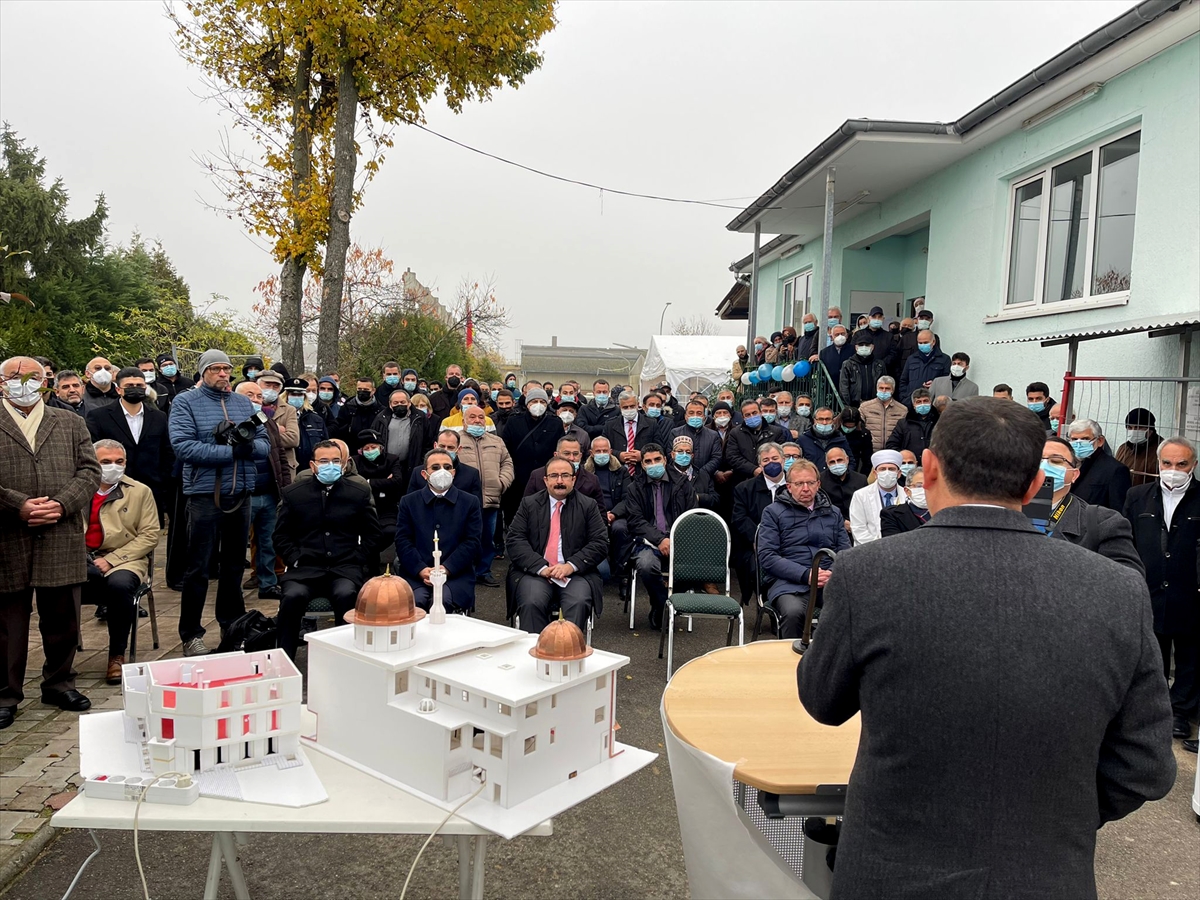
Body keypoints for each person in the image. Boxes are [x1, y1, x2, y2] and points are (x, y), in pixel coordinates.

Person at [798, 397, 1176, 899]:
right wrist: (1056, 815)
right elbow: (1146, 765)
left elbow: (824, 702)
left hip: (890, 872)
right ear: (1037, 485)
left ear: (927, 470)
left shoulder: (866, 574)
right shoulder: (1116, 589)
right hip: (1046, 873)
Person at [0, 356, 101, 729]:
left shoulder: (71, 422)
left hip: (60, 532)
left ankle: (59, 683)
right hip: (8, 534)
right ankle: (5, 693)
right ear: (1, 382)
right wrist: (18, 505)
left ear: (45, 383)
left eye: (33, 377)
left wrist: (60, 504)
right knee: (8, 621)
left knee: (63, 616)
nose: (24, 382)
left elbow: (90, 471)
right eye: (15, 377)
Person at [168, 349, 269, 656]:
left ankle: (232, 623)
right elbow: (183, 447)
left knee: (234, 565)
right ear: (202, 372)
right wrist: (227, 451)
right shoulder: (185, 402)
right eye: (216, 369)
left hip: (241, 493)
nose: (223, 374)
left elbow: (264, 444)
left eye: (226, 368)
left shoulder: (242, 403)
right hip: (204, 495)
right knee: (199, 567)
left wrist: (246, 445)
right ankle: (191, 633)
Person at [273, 440, 383, 658]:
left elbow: (373, 534)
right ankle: (283, 660)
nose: (330, 465)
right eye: (324, 461)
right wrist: (294, 558)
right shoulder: (294, 493)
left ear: (344, 464)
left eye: (335, 460)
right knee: (292, 597)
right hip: (305, 568)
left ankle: (348, 657)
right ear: (313, 466)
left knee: (346, 594)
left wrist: (357, 558)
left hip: (344, 567)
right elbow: (281, 535)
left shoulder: (358, 492)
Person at [1124, 436, 1199, 743]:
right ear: (1158, 463)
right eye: (1167, 463)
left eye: (1181, 464)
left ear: (1193, 464)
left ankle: (1180, 712)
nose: (1173, 470)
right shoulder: (1138, 496)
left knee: (1190, 657)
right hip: (1150, 588)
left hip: (1190, 592)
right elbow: (1126, 538)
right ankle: (1150, 711)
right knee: (1151, 654)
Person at [82, 440, 160, 684]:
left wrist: (112, 559)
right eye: (105, 462)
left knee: (119, 585)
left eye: (119, 462)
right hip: (81, 557)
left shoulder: (140, 491)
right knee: (60, 584)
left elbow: (150, 535)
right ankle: (58, 660)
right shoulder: (79, 489)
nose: (113, 467)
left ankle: (116, 654)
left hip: (125, 558)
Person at [506, 455, 609, 634]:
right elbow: (515, 540)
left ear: (573, 479)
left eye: (565, 475)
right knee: (531, 601)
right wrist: (541, 567)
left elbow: (599, 542)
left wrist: (571, 566)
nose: (559, 481)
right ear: (545, 480)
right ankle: (534, 655)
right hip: (536, 572)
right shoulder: (529, 504)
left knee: (578, 602)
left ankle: (568, 655)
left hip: (576, 573)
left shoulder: (588, 505)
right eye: (554, 476)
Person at [757, 460, 849, 638]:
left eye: (810, 483)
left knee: (852, 606)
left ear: (818, 484)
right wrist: (806, 574)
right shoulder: (773, 512)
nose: (805, 488)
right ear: (789, 487)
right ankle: (791, 664)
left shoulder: (833, 512)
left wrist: (830, 573)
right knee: (793, 613)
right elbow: (767, 556)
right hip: (788, 582)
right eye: (799, 483)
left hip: (828, 580)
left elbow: (844, 551)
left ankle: (834, 661)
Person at [1033, 437, 1142, 571]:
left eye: (1055, 461)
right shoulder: (1005, 512)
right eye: (1037, 460)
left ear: (1074, 475)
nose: (1044, 467)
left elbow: (1130, 580)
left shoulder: (1103, 523)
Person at [395, 448, 482, 612]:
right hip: (416, 575)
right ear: (424, 474)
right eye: (435, 467)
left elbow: (472, 542)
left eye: (447, 467)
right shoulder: (409, 502)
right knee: (416, 602)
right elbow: (403, 540)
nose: (442, 471)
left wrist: (446, 569)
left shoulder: (470, 502)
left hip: (456, 575)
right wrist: (421, 570)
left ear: (454, 472)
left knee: (442, 602)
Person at [625, 443, 698, 630]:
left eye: (657, 459)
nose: (653, 464)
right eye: (648, 461)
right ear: (642, 465)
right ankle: (662, 605)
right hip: (647, 542)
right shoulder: (635, 487)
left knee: (692, 566)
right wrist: (660, 540)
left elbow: (691, 516)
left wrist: (674, 540)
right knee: (646, 565)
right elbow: (635, 521)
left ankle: (667, 605)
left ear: (665, 460)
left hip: (679, 540)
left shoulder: (683, 484)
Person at [86, 366, 173, 523]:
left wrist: (162, 480)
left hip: (151, 489)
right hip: (113, 488)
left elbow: (167, 452)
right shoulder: (99, 416)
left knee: (147, 537)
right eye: (129, 386)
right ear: (119, 389)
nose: (135, 389)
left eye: (139, 386)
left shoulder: (159, 417)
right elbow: (92, 452)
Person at [234, 380, 291, 601]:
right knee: (238, 544)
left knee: (268, 541)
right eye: (251, 396)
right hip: (242, 495)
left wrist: (284, 488)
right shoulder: (231, 423)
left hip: (269, 493)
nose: (256, 400)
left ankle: (268, 583)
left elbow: (280, 457)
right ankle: (233, 587)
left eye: (259, 397)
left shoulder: (268, 424)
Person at [457, 403, 514, 587]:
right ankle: (464, 571)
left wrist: (501, 483)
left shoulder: (496, 441)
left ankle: (484, 571)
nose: (477, 420)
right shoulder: (456, 440)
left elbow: (507, 463)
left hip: (490, 499)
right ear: (464, 420)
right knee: (463, 538)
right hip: (462, 501)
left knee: (487, 538)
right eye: (472, 417)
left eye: (481, 417)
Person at [730, 442, 789, 606]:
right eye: (766, 460)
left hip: (791, 545)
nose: (771, 463)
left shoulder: (795, 487)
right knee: (760, 569)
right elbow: (740, 519)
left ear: (783, 460)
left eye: (775, 458)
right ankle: (771, 605)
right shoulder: (744, 489)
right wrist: (760, 540)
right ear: (759, 464)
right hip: (755, 547)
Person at [353, 429, 405, 571]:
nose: (370, 450)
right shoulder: (355, 462)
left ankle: (370, 554)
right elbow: (355, 484)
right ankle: (371, 564)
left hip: (387, 507)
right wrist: (384, 482)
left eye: (373, 447)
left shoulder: (392, 459)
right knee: (368, 532)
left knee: (390, 531)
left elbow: (397, 482)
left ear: (380, 447)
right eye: (366, 448)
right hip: (364, 508)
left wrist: (368, 482)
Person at [1065, 418, 1132, 511]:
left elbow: (1118, 510)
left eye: (1085, 439)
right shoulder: (1066, 464)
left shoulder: (1115, 470)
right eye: (1074, 439)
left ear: (1100, 441)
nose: (1078, 444)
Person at [406, 430, 485, 507]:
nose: (445, 450)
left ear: (459, 449)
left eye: (450, 447)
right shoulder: (418, 472)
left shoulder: (471, 475)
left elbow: (476, 507)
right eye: (442, 446)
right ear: (435, 446)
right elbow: (411, 503)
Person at [723, 398, 788, 485]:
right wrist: (753, 469)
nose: (752, 416)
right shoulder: (735, 433)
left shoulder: (776, 432)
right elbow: (732, 456)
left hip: (771, 479)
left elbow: (781, 455)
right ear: (743, 417)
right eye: (748, 415)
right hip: (743, 481)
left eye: (754, 413)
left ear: (760, 413)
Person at [371, 387, 428, 485]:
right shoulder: (381, 418)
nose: (399, 405)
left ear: (409, 403)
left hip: (412, 464)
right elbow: (374, 441)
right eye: (396, 403)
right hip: (388, 466)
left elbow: (428, 441)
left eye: (402, 402)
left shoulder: (420, 418)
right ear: (390, 404)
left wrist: (421, 461)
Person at [849, 449, 906, 545]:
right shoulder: (860, 496)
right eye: (882, 469)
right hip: (869, 550)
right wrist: (880, 547)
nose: (887, 473)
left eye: (891, 469)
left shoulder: (908, 495)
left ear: (899, 474)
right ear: (875, 474)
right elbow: (858, 529)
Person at [602, 391, 661, 475]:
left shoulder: (651, 424)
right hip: (618, 472)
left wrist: (643, 454)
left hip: (644, 472)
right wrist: (619, 455)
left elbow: (659, 447)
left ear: (637, 405)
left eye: (632, 406)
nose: (629, 410)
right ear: (620, 407)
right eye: (625, 407)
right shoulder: (610, 425)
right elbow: (604, 449)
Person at [256, 369, 300, 475]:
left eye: (275, 386)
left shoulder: (289, 409)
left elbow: (293, 439)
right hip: (258, 465)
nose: (271, 389)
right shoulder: (251, 406)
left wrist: (259, 438)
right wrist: (275, 430)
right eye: (267, 385)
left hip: (283, 466)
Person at [282, 377, 328, 472]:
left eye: (300, 395)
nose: (297, 397)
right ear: (286, 396)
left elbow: (325, 446)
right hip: (287, 470)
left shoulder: (316, 420)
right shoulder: (278, 418)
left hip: (310, 469)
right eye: (293, 394)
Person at [820, 446, 867, 534]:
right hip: (831, 527)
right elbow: (821, 507)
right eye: (832, 462)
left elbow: (866, 506)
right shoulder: (820, 481)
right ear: (827, 464)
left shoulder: (861, 479)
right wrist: (842, 522)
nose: (837, 464)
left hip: (858, 526)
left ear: (847, 460)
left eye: (840, 460)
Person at [897, 329, 950, 405]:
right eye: (920, 343)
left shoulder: (944, 359)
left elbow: (946, 382)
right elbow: (903, 380)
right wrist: (904, 398)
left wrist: (935, 384)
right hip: (911, 402)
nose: (923, 345)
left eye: (925, 342)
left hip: (933, 402)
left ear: (933, 342)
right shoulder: (911, 359)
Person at [671, 399, 721, 477]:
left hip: (705, 479)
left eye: (699, 413)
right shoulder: (675, 433)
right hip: (680, 478)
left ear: (704, 416)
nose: (695, 416)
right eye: (691, 413)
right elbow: (670, 455)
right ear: (685, 416)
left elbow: (716, 458)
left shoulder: (713, 435)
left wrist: (700, 474)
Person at [798, 406, 854, 473]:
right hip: (811, 480)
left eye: (828, 419)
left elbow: (851, 461)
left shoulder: (840, 439)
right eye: (821, 419)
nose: (824, 422)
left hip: (835, 480)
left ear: (833, 420)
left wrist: (845, 477)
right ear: (815, 421)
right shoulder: (804, 439)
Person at [334, 377, 383, 453]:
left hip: (373, 451)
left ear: (373, 391)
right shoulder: (347, 408)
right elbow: (339, 430)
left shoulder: (380, 410)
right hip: (352, 451)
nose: (362, 392)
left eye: (366, 390)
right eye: (359, 389)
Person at [886, 388, 940, 457]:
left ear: (930, 402)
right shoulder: (903, 424)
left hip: (934, 464)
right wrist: (905, 457)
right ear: (913, 405)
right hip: (910, 464)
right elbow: (891, 445)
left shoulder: (940, 422)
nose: (922, 404)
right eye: (918, 402)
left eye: (925, 401)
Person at [669, 433, 718, 509]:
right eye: (680, 451)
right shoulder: (666, 475)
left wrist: (698, 497)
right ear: (672, 454)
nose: (684, 455)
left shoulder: (703, 475)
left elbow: (715, 500)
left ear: (692, 456)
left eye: (688, 452)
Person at [1115, 407, 1162, 486]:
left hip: (1147, 496)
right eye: (1130, 427)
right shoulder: (1123, 448)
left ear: (1150, 429)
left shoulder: (1162, 450)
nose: (1133, 431)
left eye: (1138, 427)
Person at [859, 376, 906, 452]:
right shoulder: (865, 407)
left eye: (887, 388)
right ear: (877, 389)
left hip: (893, 452)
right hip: (871, 452)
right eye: (881, 388)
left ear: (893, 390)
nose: (884, 391)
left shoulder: (902, 410)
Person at [880, 466, 931, 536]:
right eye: (919, 486)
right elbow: (891, 544)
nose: (925, 489)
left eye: (930, 485)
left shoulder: (944, 512)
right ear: (907, 491)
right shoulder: (891, 515)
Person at [837, 405, 873, 475]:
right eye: (846, 426)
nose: (848, 429)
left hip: (855, 465)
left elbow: (867, 458)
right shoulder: (834, 431)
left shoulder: (864, 434)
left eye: (851, 426)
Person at [819, 324, 854, 391]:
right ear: (832, 337)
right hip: (830, 390)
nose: (840, 336)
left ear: (846, 336)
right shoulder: (824, 352)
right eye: (837, 334)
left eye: (842, 334)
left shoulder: (853, 350)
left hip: (850, 388)